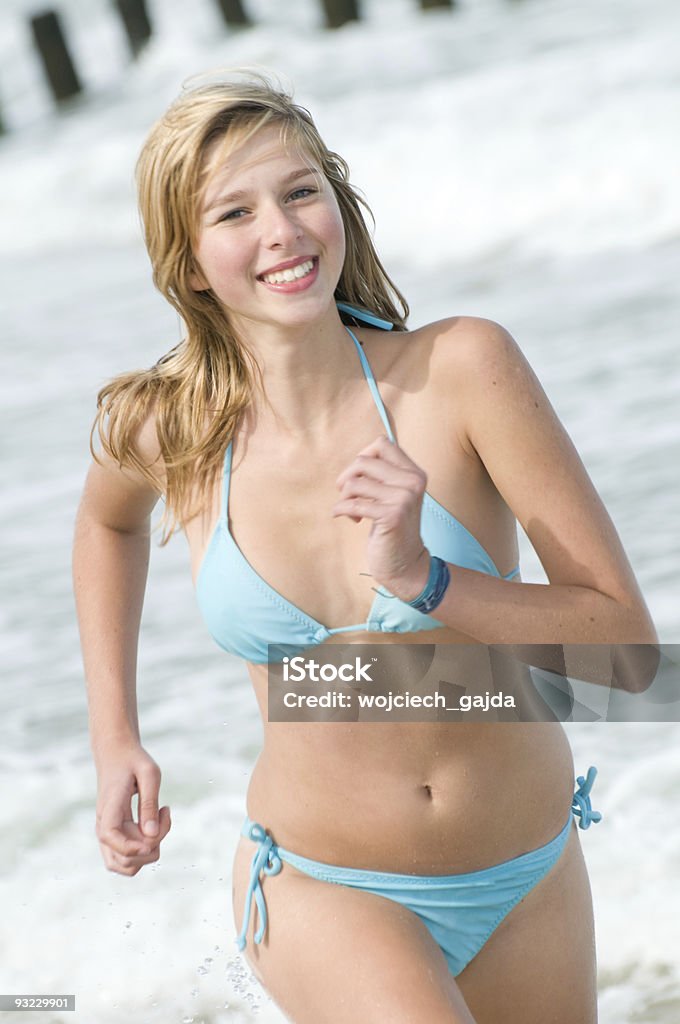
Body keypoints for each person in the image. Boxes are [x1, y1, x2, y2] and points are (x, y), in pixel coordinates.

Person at [73, 71, 657, 1023]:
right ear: (185, 261)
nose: (283, 232)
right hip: (323, 884)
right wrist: (115, 740)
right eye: (235, 211)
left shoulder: (463, 371)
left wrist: (426, 581)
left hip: (529, 873)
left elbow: (625, 655)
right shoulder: (171, 430)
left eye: (302, 192)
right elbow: (106, 523)